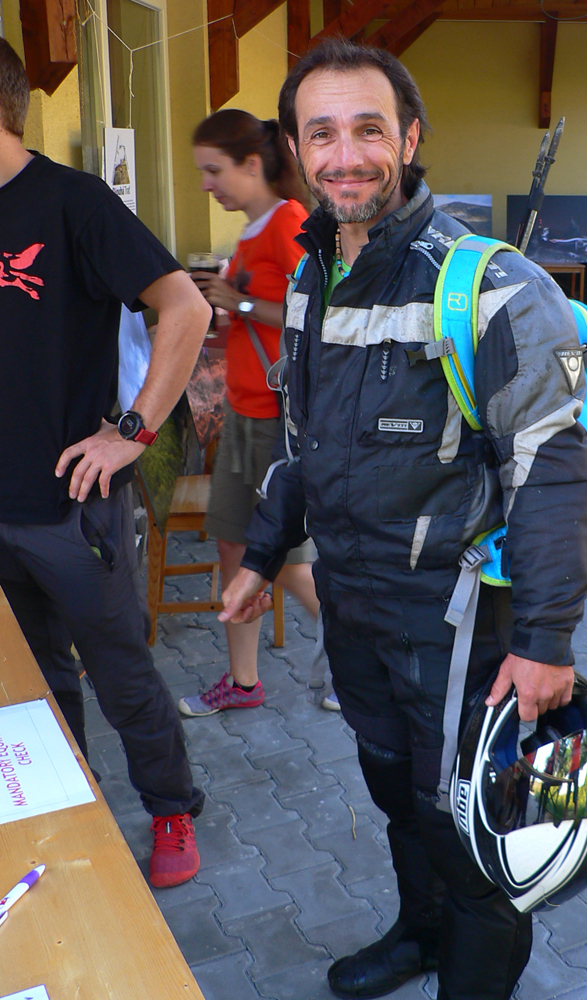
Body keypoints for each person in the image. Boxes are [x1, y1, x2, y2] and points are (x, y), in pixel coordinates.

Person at [218, 39, 587, 1000]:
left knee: (477, 836)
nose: (346, 155)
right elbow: (305, 449)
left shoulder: (493, 287)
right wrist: (262, 555)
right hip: (355, 610)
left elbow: (555, 472)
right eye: (322, 134)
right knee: (397, 793)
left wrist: (547, 644)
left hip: (462, 628)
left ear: (411, 138)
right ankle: (420, 937)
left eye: (369, 129)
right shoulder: (308, 281)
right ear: (296, 151)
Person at [0, 39, 212, 888]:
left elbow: (184, 308)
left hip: (71, 504)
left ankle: (171, 808)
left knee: (121, 672)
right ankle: (70, 808)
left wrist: (133, 430)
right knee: (35, 681)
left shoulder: (73, 202)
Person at [180, 109, 339, 716]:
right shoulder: (252, 232)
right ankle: (243, 683)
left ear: (252, 164)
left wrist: (238, 301)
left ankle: (358, 665)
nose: (205, 184)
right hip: (243, 415)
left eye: (214, 170)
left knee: (290, 564)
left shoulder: (289, 222)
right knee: (233, 547)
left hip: (278, 421)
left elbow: (318, 315)